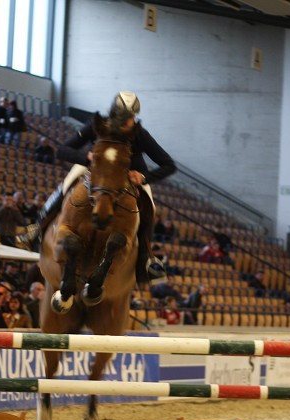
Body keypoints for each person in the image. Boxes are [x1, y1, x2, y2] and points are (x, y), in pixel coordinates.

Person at [16, 91, 176, 284]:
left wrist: (144, 177)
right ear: (116, 115)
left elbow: (168, 164)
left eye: (134, 117)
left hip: (130, 176)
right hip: (95, 169)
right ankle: (36, 229)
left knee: (149, 205)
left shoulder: (139, 133)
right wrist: (87, 158)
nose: (131, 121)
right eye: (128, 117)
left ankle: (146, 259)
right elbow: (63, 150)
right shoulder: (97, 125)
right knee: (66, 185)